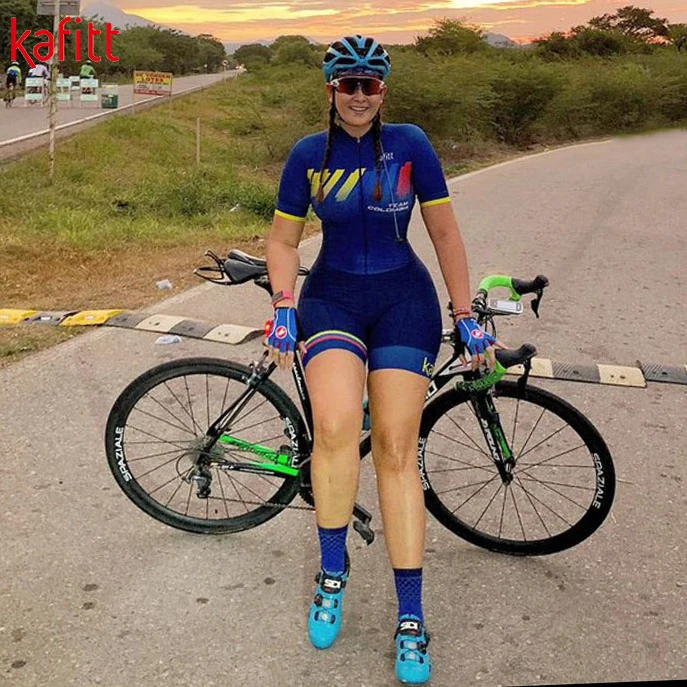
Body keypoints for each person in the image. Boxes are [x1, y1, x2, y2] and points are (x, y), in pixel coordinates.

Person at [264, 34, 502, 685]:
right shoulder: (307, 155)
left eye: (370, 84)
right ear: (331, 88)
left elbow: (444, 231)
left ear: (383, 90)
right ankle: (331, 574)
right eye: (349, 84)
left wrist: (463, 313)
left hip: (403, 300)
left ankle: (410, 617)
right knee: (336, 427)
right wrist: (283, 303)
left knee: (396, 448)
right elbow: (282, 241)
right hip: (332, 299)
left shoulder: (411, 144)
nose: (359, 96)